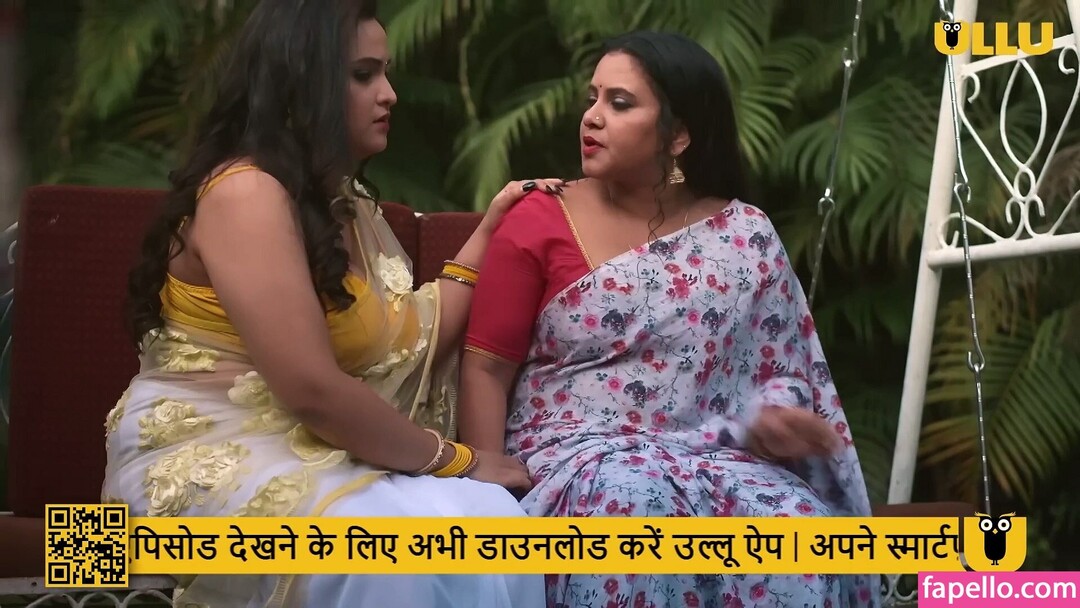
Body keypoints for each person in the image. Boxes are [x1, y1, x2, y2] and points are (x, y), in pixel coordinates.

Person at [100, 1, 560, 606]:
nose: (390, 94)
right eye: (364, 75)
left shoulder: (341, 202)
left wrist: (492, 230)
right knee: (393, 557)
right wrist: (457, 460)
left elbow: (410, 334)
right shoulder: (246, 193)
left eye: (385, 72)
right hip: (203, 455)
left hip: (312, 448)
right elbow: (312, 390)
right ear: (301, 83)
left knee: (492, 523)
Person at [460, 30, 880, 608]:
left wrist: (773, 419)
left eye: (620, 103)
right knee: (634, 503)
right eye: (592, 98)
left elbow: (778, 371)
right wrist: (488, 486)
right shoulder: (540, 217)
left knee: (797, 523)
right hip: (576, 458)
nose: (592, 117)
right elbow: (485, 367)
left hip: (715, 453)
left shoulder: (745, 234)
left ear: (678, 135)